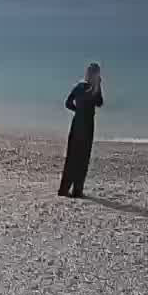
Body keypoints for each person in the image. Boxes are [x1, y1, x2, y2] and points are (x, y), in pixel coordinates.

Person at [58, 62, 104, 198]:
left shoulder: (80, 86)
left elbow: (67, 103)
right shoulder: (92, 88)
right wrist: (98, 86)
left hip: (77, 123)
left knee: (72, 156)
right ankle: (77, 191)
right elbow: (99, 103)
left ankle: (63, 189)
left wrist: (78, 111)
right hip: (87, 124)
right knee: (82, 158)